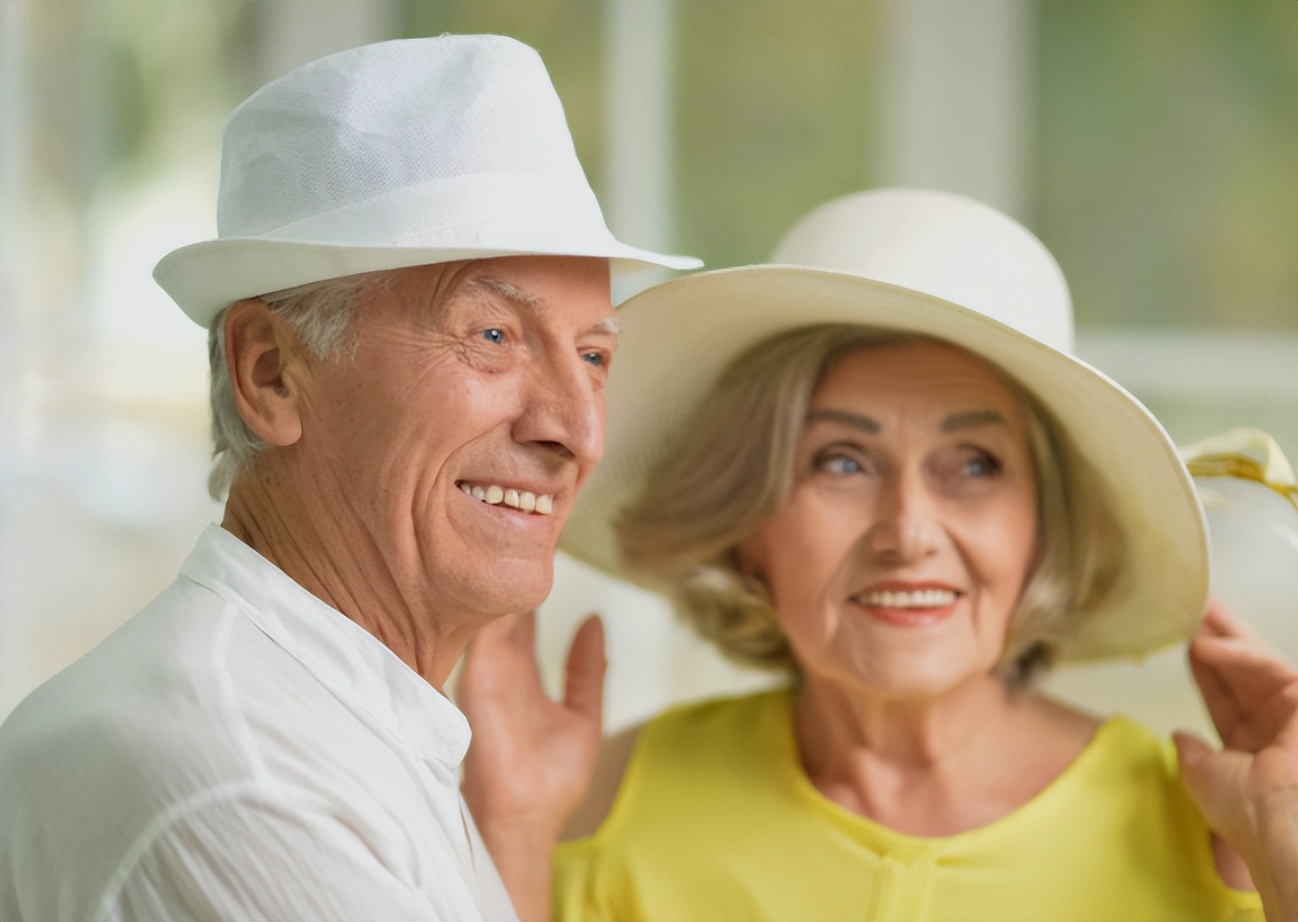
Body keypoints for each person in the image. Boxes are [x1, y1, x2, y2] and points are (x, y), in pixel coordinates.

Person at [0, 35, 698, 920]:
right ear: (270, 374)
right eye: (492, 336)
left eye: (594, 354)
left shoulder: (327, 721)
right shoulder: (243, 774)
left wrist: (514, 832)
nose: (577, 429)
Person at [460, 189, 1296, 921]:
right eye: (842, 463)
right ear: (747, 528)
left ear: (1042, 531)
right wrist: (512, 833)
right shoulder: (596, 803)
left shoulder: (1223, 837)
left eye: (975, 466)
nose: (909, 532)